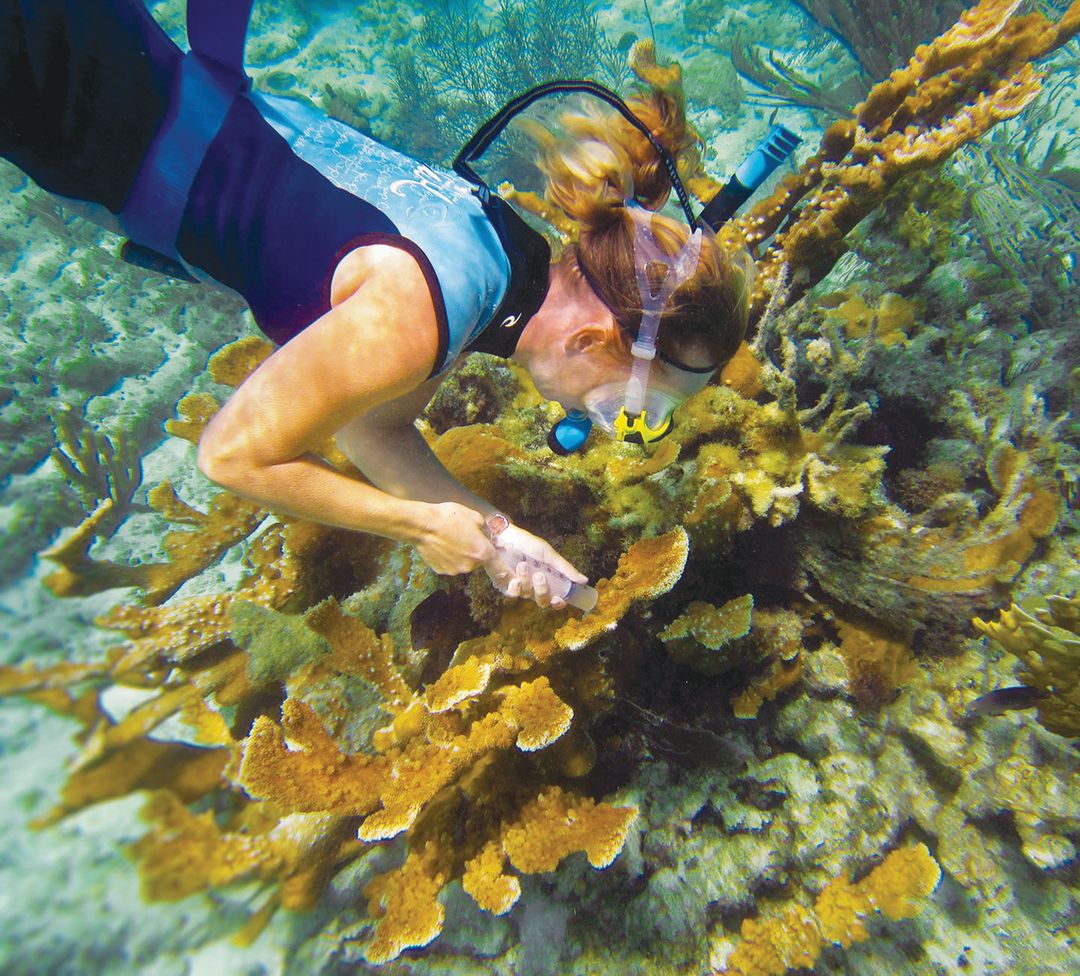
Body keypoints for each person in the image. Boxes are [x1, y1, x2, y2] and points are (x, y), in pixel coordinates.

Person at [1, 0, 752, 610]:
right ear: (594, 340)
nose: (619, 427)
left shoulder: (499, 261)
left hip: (108, 57)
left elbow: (374, 428)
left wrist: (495, 537)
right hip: (60, 92)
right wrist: (419, 525)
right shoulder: (422, 320)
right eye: (638, 408)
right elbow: (230, 455)